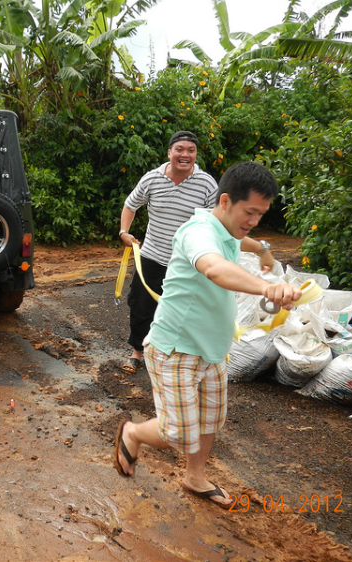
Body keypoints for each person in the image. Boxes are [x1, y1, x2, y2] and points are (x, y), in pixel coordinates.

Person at [113, 161, 301, 507]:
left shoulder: (230, 231)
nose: (254, 221)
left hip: (212, 350)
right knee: (178, 431)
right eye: (251, 212)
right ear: (226, 201)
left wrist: (261, 248)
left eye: (261, 214)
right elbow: (214, 267)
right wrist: (267, 287)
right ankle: (134, 432)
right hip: (176, 349)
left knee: (210, 420)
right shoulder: (198, 231)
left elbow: (239, 244)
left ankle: (195, 477)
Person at [119, 131, 274, 374]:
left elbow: (225, 227)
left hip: (191, 264)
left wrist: (261, 248)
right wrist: (123, 231)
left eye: (191, 150)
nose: (185, 154)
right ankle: (138, 352)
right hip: (151, 256)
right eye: (180, 149)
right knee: (141, 308)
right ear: (169, 153)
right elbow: (131, 204)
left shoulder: (206, 184)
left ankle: (166, 360)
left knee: (184, 312)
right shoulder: (151, 179)